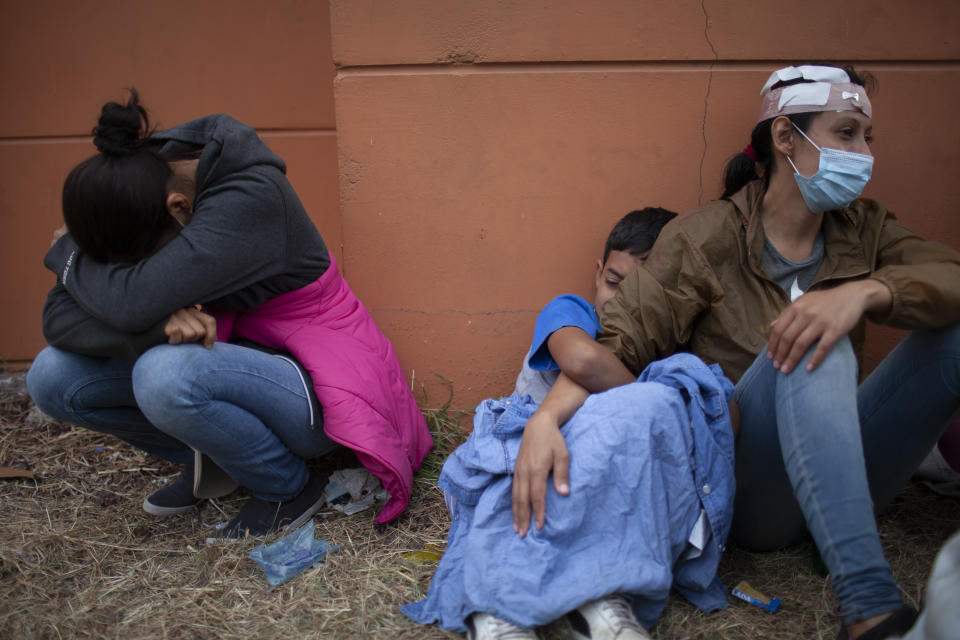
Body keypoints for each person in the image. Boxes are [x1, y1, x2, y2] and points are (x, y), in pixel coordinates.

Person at [512, 65, 960, 640]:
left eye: (866, 137)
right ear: (784, 137)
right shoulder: (707, 237)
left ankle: (845, 537)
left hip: (851, 476)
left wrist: (867, 291)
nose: (864, 152)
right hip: (755, 495)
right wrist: (547, 419)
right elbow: (614, 342)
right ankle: (869, 607)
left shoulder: (866, 229)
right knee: (807, 340)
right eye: (846, 133)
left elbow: (949, 274)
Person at [26, 91, 432, 538]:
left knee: (164, 375)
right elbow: (58, 316)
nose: (129, 274)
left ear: (179, 209)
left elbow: (128, 302)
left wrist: (65, 253)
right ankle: (219, 457)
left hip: (311, 379)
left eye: (138, 264)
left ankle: (286, 487)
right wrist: (156, 322)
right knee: (52, 375)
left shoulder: (248, 201)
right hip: (231, 357)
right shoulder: (142, 184)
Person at [405, 208, 739, 639]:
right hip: (535, 470)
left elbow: (722, 417)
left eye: (640, 292)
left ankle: (600, 599)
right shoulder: (574, 312)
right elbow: (583, 360)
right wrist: (655, 404)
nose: (620, 302)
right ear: (598, 272)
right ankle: (503, 607)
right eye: (615, 282)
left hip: (609, 494)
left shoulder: (669, 349)